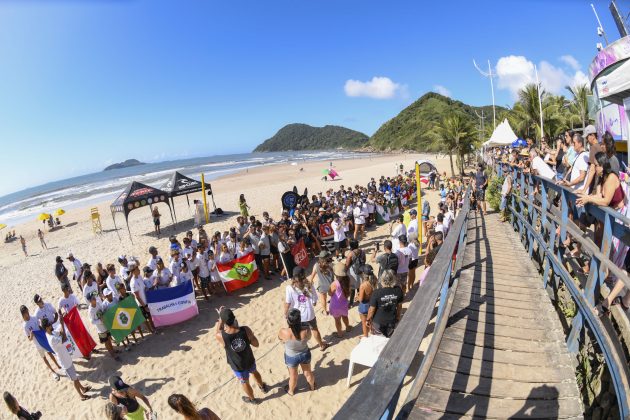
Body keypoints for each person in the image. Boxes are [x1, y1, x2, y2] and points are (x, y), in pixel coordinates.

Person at [214, 307, 268, 405]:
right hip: (249, 359)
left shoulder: (221, 336)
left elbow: (217, 331)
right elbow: (256, 344)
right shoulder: (245, 329)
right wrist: (251, 337)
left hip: (238, 365)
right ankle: (262, 387)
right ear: (234, 318)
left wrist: (220, 319)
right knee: (254, 372)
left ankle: (252, 399)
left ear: (224, 322)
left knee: (244, 382)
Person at [41, 318, 92, 400]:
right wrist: (62, 324)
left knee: (75, 377)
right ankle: (81, 396)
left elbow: (60, 333)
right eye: (50, 324)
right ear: (46, 328)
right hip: (65, 362)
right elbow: (64, 338)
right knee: (74, 380)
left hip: (66, 358)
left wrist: (61, 323)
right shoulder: (52, 339)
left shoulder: (51, 332)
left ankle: (83, 388)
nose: (51, 325)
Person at [284, 267, 328, 350]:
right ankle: (322, 345)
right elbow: (314, 302)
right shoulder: (309, 285)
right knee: (315, 329)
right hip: (309, 314)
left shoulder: (289, 288)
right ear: (304, 275)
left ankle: (303, 347)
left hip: (297, 315)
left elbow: (287, 304)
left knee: (299, 332)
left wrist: (285, 314)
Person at [278, 309, 316, 395]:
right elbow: (308, 338)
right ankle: (312, 387)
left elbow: (280, 338)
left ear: (288, 320)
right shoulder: (306, 330)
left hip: (291, 356)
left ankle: (291, 391)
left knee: (293, 376)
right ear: (299, 320)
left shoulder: (283, 331)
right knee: (308, 373)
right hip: (304, 354)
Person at [20, 305, 61, 381]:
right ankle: (52, 371)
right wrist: (32, 335)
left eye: (27, 311)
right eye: (25, 313)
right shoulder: (25, 325)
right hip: (37, 344)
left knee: (49, 353)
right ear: (22, 315)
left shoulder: (34, 318)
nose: (27, 314)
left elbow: (40, 327)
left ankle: (58, 365)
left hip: (43, 339)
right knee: (44, 357)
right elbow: (29, 339)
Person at [367, 270, 404, 337]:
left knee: (379, 340)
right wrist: (398, 317)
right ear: (393, 279)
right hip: (391, 321)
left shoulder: (376, 293)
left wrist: (368, 320)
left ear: (382, 280)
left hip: (378, 322)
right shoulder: (398, 290)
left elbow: (371, 309)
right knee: (389, 337)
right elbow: (399, 306)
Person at [87, 294, 120, 361]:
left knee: (109, 339)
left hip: (106, 325)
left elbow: (102, 311)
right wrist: (100, 320)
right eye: (93, 298)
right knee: (106, 342)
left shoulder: (98, 303)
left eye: (94, 297)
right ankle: (112, 354)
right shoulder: (90, 310)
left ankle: (112, 350)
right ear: (90, 301)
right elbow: (92, 321)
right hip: (100, 329)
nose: (95, 299)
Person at [328, 262, 351, 338]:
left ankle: (340, 334)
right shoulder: (348, 280)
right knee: (345, 316)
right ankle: (348, 327)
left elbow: (330, 294)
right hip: (344, 303)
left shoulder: (334, 284)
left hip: (335, 305)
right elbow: (349, 293)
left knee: (337, 321)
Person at [356, 265, 377, 338]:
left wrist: (357, 297)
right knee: (371, 320)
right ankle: (372, 333)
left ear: (364, 274)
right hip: (373, 303)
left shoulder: (363, 285)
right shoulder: (375, 279)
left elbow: (361, 299)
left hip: (364, 306)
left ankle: (365, 336)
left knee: (364, 323)